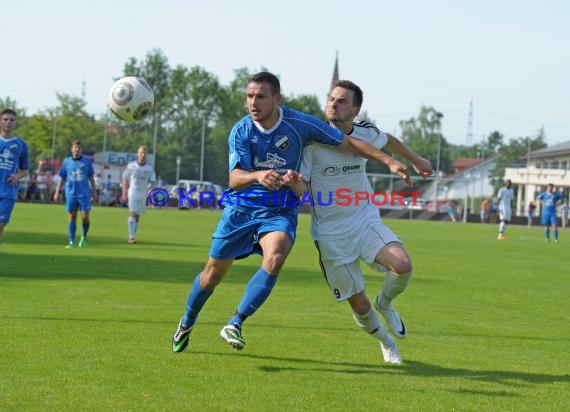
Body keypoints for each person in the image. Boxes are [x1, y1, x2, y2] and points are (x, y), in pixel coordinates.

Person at [171, 71, 409, 353]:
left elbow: (349, 143)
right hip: (241, 210)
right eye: (249, 96)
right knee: (211, 276)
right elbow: (234, 178)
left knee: (277, 254)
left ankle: (236, 321)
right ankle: (187, 321)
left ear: (276, 99)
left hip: (279, 211)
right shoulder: (242, 130)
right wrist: (258, 176)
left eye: (260, 96)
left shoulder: (300, 125)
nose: (253, 102)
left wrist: (389, 162)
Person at [293, 80, 432, 364]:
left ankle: (386, 302)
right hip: (331, 235)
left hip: (364, 221)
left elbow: (388, 138)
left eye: (342, 101)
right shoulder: (311, 141)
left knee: (403, 265)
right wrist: (293, 184)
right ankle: (386, 341)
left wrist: (414, 158)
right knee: (360, 304)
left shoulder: (366, 132)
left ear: (355, 110)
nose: (334, 103)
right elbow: (302, 189)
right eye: (331, 98)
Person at [54, 140, 97, 248]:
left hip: (84, 194)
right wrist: (57, 191)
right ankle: (71, 241)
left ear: (81, 150)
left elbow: (91, 177)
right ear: (71, 149)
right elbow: (62, 177)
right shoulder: (66, 161)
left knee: (85, 217)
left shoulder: (86, 162)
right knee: (72, 216)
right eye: (75, 147)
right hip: (71, 193)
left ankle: (84, 237)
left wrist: (94, 192)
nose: (77, 150)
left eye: (79, 148)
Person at [0, 109, 30, 243]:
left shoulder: (21, 145)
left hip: (8, 191)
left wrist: (17, 177)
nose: (8, 122)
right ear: (0, 122)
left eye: (12, 120)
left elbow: (25, 170)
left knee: (1, 224)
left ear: (15, 123)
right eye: (5, 119)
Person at [121, 145, 155, 244]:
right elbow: (125, 179)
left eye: (145, 153)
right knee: (133, 213)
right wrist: (124, 192)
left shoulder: (149, 168)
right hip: (133, 192)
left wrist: (149, 190)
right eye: (141, 153)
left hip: (143, 193)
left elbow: (152, 181)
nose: (143, 155)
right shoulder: (131, 166)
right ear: (137, 154)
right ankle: (131, 237)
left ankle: (133, 235)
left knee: (138, 215)